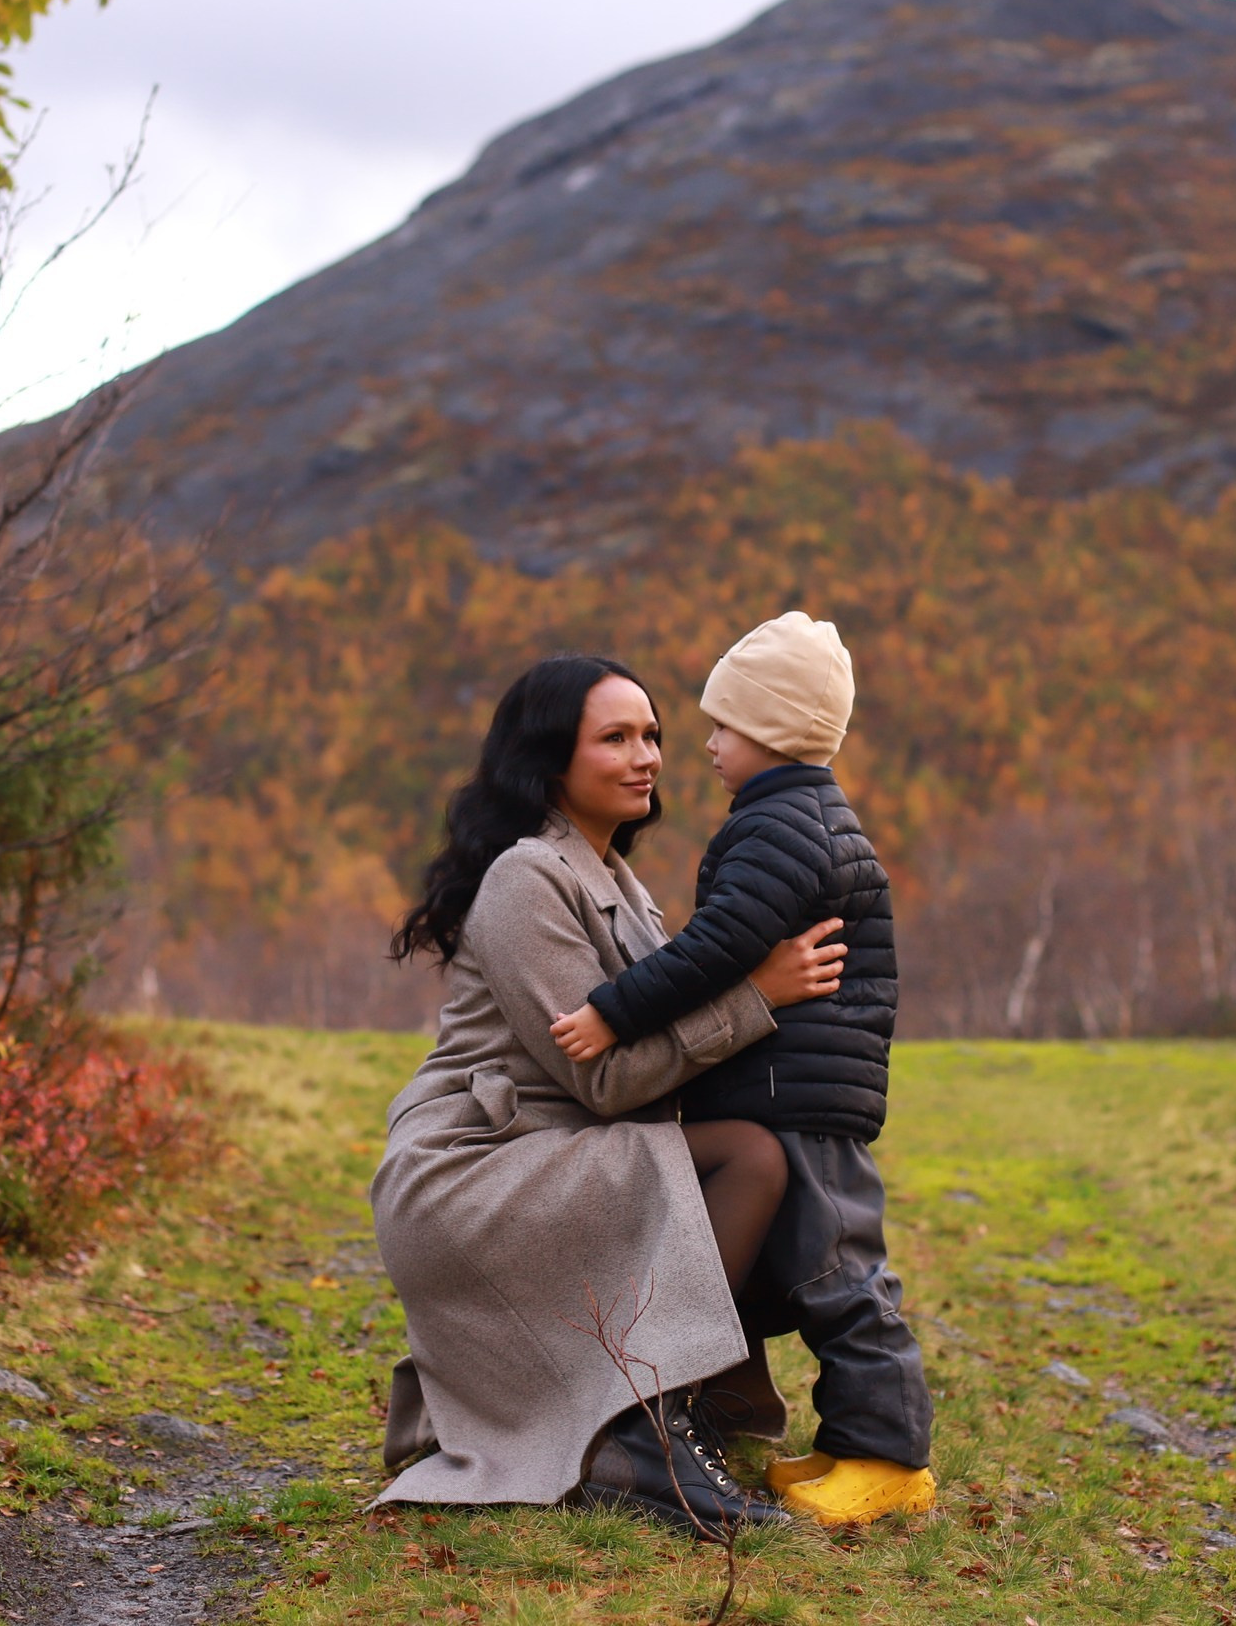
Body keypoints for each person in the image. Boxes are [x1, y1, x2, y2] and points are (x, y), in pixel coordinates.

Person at [370, 654, 851, 1538]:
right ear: (551, 760)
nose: (649, 756)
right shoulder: (526, 878)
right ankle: (645, 1426)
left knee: (775, 1151)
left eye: (655, 736)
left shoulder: (616, 881)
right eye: (617, 737)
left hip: (548, 1152)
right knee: (746, 1156)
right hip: (473, 1173)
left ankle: (666, 1399)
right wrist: (759, 997)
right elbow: (604, 1079)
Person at [548, 612, 934, 1527]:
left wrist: (614, 1011)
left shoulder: (783, 827)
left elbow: (716, 948)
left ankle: (892, 1459)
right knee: (810, 1267)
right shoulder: (793, 819)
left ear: (772, 730)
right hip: (792, 1090)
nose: (708, 745)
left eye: (722, 726)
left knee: (840, 1276)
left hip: (803, 1096)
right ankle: (850, 1442)